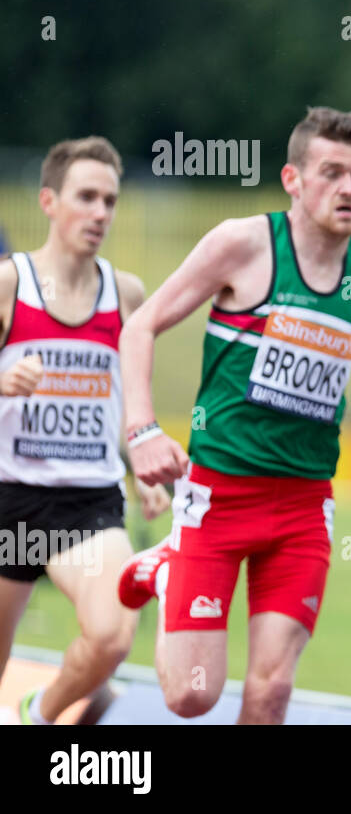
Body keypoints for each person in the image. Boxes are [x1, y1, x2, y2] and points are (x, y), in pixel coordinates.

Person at [116, 107, 351, 724]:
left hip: (304, 506)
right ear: (293, 179)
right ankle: (168, 570)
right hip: (219, 495)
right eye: (331, 172)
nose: (347, 188)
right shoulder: (242, 244)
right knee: (192, 695)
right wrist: (143, 429)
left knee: (272, 687)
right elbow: (140, 324)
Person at [0, 137, 169, 724]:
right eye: (86, 198)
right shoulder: (8, 285)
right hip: (8, 496)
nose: (100, 213)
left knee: (112, 635)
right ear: (49, 200)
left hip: (86, 502)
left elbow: (129, 396)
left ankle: (38, 713)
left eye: (111, 201)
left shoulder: (125, 295)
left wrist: (142, 458)